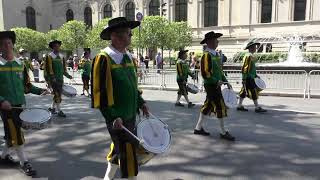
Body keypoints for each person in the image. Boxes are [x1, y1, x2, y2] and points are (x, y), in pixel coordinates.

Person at [91, 17, 150, 180]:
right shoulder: (103, 58)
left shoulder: (129, 57)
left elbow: (132, 86)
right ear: (115, 36)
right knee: (129, 156)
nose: (131, 36)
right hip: (117, 119)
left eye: (130, 33)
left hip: (130, 116)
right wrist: (112, 117)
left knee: (119, 150)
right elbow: (99, 93)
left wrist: (141, 102)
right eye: (127, 33)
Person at [0, 31, 48, 176]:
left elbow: (26, 86)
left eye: (9, 43)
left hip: (19, 105)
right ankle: (24, 162)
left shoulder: (20, 64)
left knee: (11, 135)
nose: (7, 46)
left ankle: (2, 157)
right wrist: (2, 101)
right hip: (6, 108)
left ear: (13, 45)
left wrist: (40, 91)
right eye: (3, 44)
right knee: (17, 135)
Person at [193, 31, 235, 141]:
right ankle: (223, 131)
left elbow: (220, 71)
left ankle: (198, 128)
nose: (218, 41)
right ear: (210, 41)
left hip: (216, 84)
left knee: (208, 106)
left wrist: (226, 81)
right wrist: (216, 81)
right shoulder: (206, 55)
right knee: (220, 106)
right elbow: (205, 73)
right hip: (211, 85)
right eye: (216, 39)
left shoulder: (215, 54)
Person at [44, 40, 73, 117]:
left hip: (60, 79)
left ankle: (52, 108)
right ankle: (59, 110)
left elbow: (64, 69)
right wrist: (51, 78)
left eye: (58, 46)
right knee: (58, 94)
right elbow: (49, 68)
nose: (57, 47)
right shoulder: (49, 56)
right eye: (55, 46)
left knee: (58, 94)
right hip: (53, 79)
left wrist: (68, 75)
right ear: (52, 47)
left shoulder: (61, 56)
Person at [237, 41, 267, 113]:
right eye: (254, 47)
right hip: (248, 78)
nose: (255, 48)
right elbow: (245, 68)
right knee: (253, 91)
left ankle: (239, 105)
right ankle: (257, 107)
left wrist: (256, 75)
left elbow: (251, 68)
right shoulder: (248, 56)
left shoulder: (251, 56)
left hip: (250, 77)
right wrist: (244, 78)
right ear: (250, 48)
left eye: (255, 47)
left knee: (244, 91)